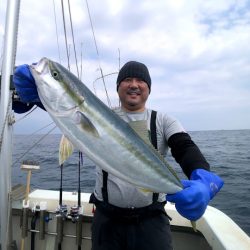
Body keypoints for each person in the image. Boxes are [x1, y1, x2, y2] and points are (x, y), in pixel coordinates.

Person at [13, 61, 224, 250]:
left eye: (141, 80)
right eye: (127, 79)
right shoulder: (98, 113)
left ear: (148, 88)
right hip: (107, 220)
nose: (134, 84)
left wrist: (203, 179)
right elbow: (61, 104)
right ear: (118, 87)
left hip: (152, 221)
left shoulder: (163, 121)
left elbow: (185, 148)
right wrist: (30, 94)